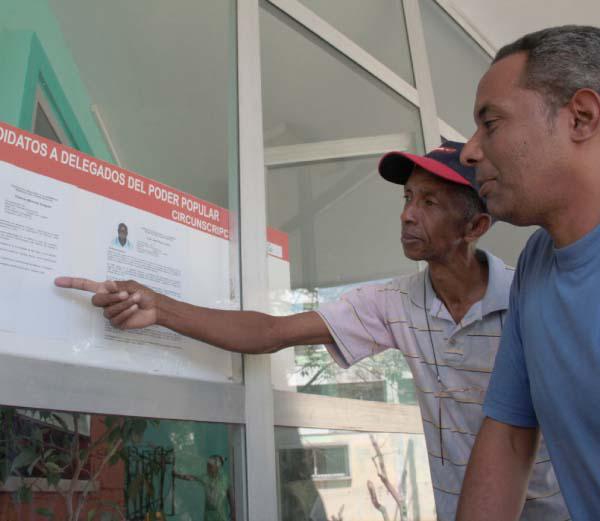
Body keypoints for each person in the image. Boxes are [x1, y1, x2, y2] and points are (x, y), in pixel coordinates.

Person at [55, 143, 567, 520]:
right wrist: (161, 308)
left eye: (430, 203)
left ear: (474, 227)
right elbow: (270, 331)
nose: (408, 214)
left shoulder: (530, 297)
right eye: (409, 197)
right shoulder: (393, 303)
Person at [456, 25, 600, 521]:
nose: (469, 151)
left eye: (490, 123)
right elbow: (510, 434)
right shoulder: (537, 263)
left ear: (581, 117)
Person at [174, 455, 235, 521]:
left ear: (217, 467)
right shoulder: (205, 478)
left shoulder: (224, 479)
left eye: (210, 466)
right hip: (209, 515)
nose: (208, 468)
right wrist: (177, 475)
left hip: (221, 515)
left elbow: (230, 496)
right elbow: (191, 477)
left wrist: (233, 512)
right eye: (207, 466)